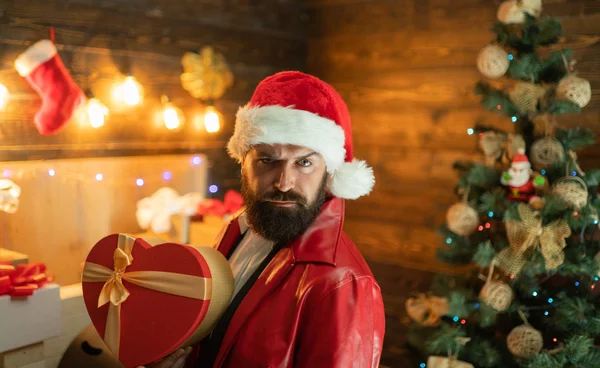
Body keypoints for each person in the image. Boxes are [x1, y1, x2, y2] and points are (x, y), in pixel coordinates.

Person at [141, 71, 385, 368]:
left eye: (304, 162)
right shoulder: (237, 231)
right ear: (243, 162)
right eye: (267, 160)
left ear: (330, 172)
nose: (284, 182)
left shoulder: (343, 284)